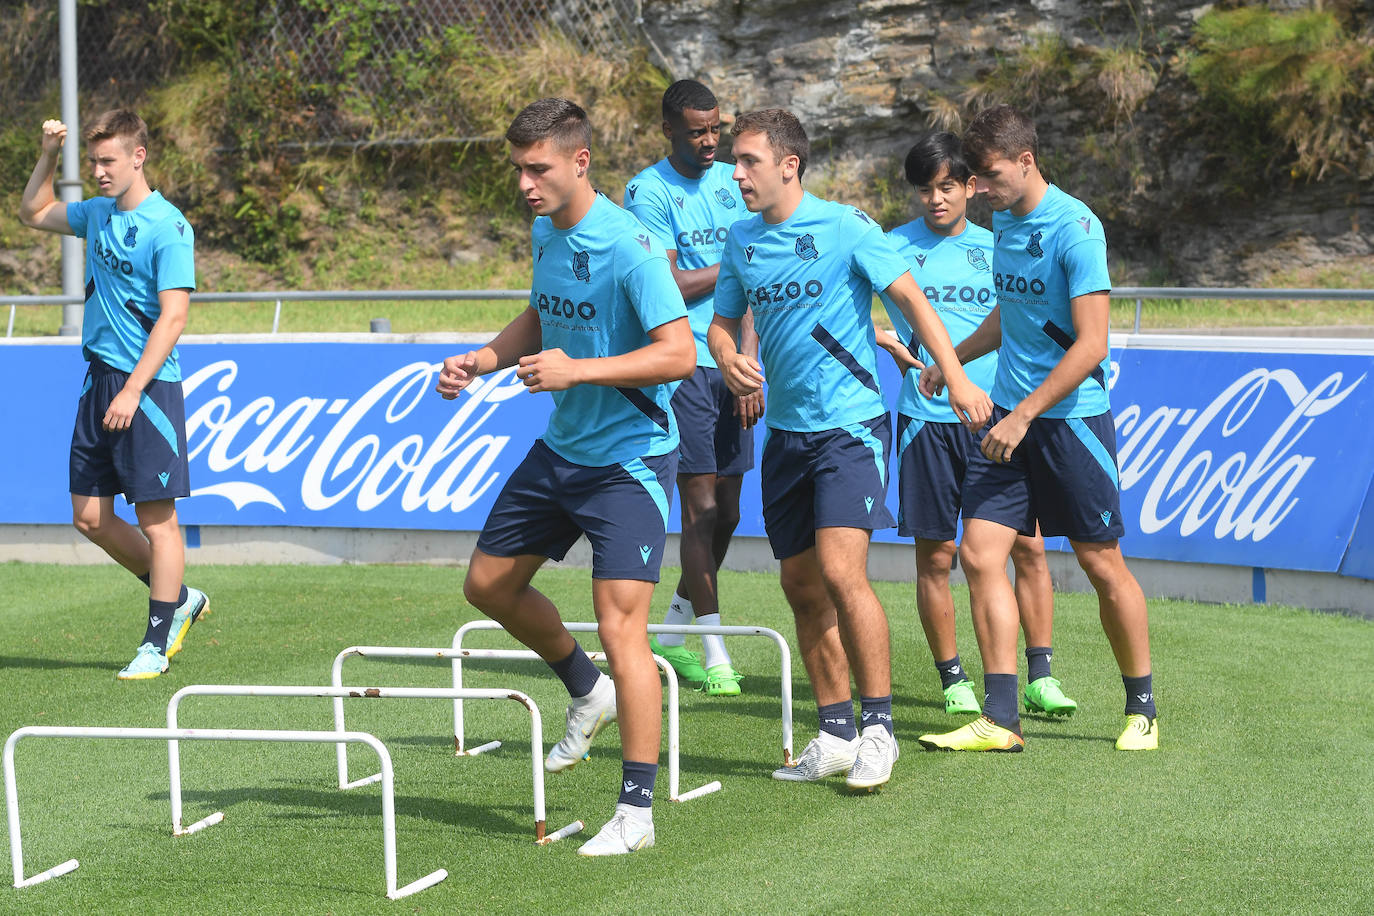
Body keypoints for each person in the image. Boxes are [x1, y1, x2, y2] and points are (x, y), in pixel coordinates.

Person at [436, 98, 695, 855]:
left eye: (537, 168)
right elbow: (542, 312)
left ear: (580, 162)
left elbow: (677, 354)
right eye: (517, 168)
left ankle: (637, 813)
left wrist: (578, 369)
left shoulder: (632, 247)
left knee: (624, 630)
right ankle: (588, 692)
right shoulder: (545, 229)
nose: (524, 182)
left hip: (630, 461)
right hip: (563, 450)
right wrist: (483, 360)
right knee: (486, 586)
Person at [707, 108, 992, 790]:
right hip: (787, 436)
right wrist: (726, 358)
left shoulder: (846, 228)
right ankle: (834, 731)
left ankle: (879, 729)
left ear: (788, 165)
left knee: (841, 572)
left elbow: (913, 301)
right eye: (732, 162)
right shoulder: (742, 241)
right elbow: (720, 324)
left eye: (747, 161)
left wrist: (952, 375)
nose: (736, 173)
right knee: (799, 584)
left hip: (852, 428)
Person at [916, 105, 1158, 753]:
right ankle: (1000, 718)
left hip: (1068, 424)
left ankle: (1142, 707)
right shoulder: (1005, 224)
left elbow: (1091, 346)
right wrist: (954, 362)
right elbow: (1011, 313)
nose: (981, 190)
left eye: (990, 176)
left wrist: (1023, 415)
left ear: (1026, 161)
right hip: (1008, 421)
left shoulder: (1075, 229)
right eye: (978, 178)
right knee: (979, 554)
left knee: (1101, 564)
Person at [875, 131, 1076, 720]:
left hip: (995, 416)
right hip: (924, 421)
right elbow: (840, 310)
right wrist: (881, 337)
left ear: (970, 187)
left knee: (1030, 550)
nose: (935, 199)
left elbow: (1034, 318)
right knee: (936, 558)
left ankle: (1040, 673)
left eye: (946, 186)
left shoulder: (1000, 245)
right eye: (924, 190)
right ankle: (952, 677)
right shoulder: (889, 247)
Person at [18, 110, 208, 680]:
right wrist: (49, 154)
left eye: (108, 160)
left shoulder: (168, 226)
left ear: (138, 157)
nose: (98, 171)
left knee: (157, 520)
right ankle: (180, 596)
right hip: (97, 382)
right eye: (93, 161)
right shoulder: (97, 215)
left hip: (144, 390)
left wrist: (131, 389)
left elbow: (173, 319)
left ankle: (155, 641)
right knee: (90, 517)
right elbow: (32, 212)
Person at [624, 79, 759, 697]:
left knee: (728, 513)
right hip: (683, 363)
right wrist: (734, 267)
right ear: (669, 131)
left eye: (716, 130)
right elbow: (669, 285)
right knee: (700, 509)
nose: (710, 142)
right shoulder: (647, 191)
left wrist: (749, 364)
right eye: (696, 131)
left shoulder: (737, 179)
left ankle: (673, 633)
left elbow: (754, 282)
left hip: (734, 361)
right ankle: (715, 647)